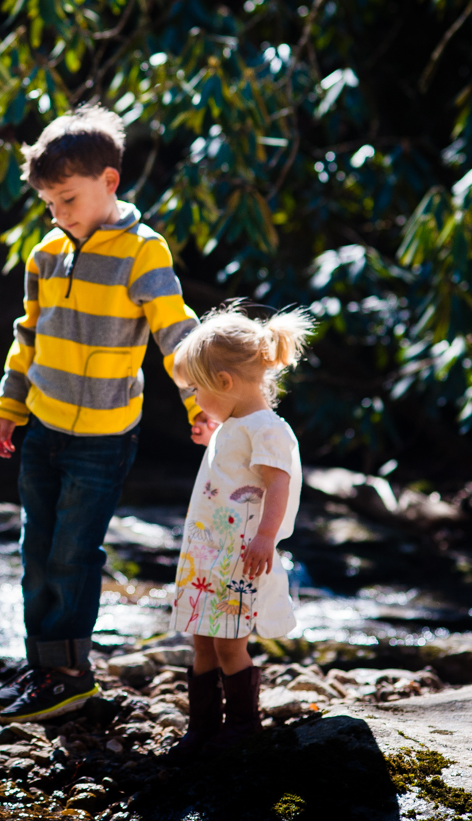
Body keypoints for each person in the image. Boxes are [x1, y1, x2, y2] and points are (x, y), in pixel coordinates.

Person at [0, 103, 207, 723]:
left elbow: (175, 332)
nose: (58, 214)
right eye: (49, 204)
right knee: (37, 550)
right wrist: (9, 408)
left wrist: (199, 402)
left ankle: (72, 674)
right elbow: (27, 336)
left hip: (104, 438)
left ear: (109, 182)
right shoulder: (45, 254)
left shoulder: (143, 252)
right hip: (43, 427)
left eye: (68, 199)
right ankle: (44, 667)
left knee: (73, 553)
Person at [164, 306, 314, 755]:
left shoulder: (267, 428)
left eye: (197, 390)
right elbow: (234, 470)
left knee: (229, 642)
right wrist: (213, 433)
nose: (195, 398)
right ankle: (203, 727)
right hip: (207, 554)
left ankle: (243, 727)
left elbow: (277, 483)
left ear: (225, 382)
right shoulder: (236, 424)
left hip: (237, 556)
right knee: (202, 639)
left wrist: (266, 536)